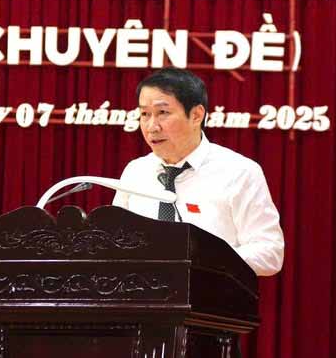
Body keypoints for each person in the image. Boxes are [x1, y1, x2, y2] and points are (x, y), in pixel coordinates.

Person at [113, 68, 284, 276]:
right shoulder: (136, 171)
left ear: (196, 115)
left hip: (210, 292)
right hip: (142, 292)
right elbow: (114, 241)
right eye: (144, 114)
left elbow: (270, 252)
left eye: (162, 113)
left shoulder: (240, 172)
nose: (151, 127)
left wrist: (205, 260)